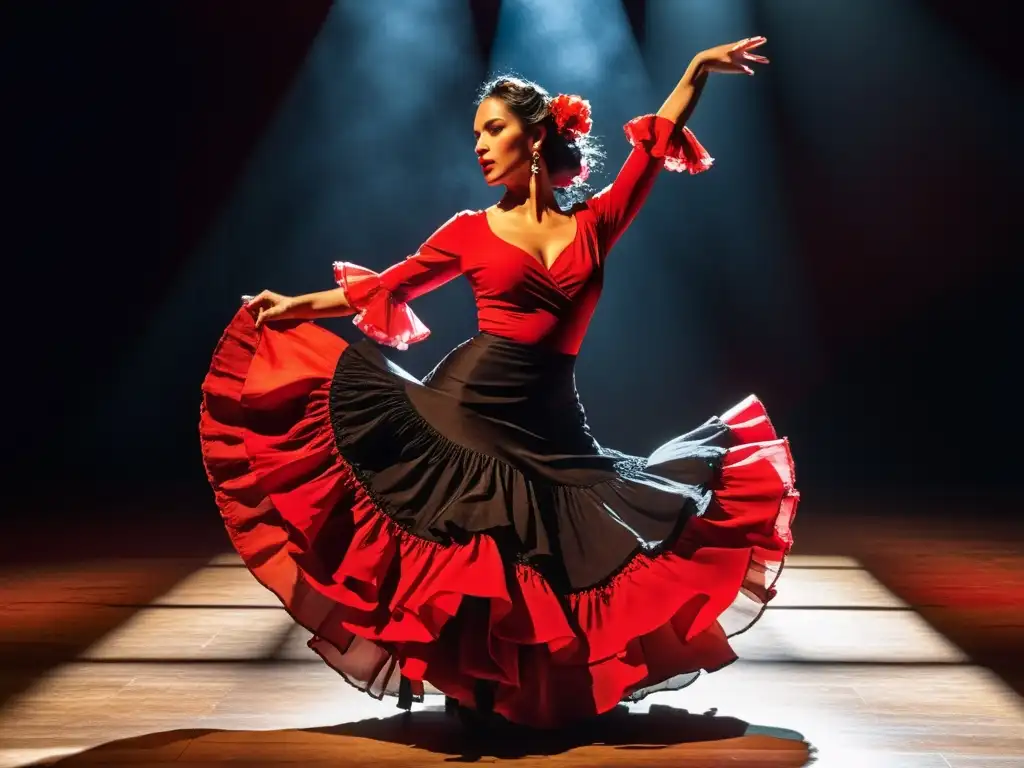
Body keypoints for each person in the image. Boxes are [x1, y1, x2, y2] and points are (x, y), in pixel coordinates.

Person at [199, 36, 797, 730]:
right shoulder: (469, 231)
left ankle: (520, 691)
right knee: (476, 548)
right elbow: (389, 286)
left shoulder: (597, 224)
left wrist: (695, 70)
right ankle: (475, 688)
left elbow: (652, 150)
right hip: (470, 407)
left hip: (551, 422)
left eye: (494, 129)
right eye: (476, 133)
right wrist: (295, 305)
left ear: (536, 137)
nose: (480, 145)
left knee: (562, 552)